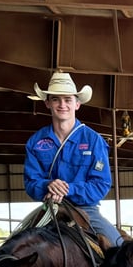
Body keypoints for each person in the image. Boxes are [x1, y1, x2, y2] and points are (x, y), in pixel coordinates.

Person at [24, 71, 123, 246]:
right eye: (56, 99)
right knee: (14, 249)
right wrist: (47, 184)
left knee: (119, 249)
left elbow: (101, 184)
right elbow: (31, 182)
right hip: (49, 209)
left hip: (86, 211)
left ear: (77, 104)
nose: (62, 105)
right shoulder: (35, 142)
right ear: (47, 103)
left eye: (68, 100)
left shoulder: (94, 141)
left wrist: (67, 189)